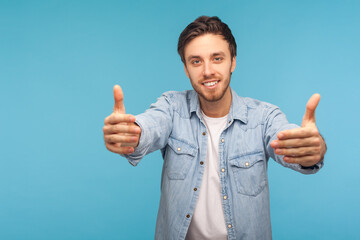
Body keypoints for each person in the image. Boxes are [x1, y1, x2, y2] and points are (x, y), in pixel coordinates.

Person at [103, 16, 326, 240]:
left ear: (233, 62)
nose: (207, 71)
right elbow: (151, 125)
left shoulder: (264, 117)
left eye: (217, 58)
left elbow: (290, 144)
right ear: (186, 69)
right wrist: (131, 133)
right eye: (196, 61)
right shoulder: (171, 107)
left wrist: (312, 150)